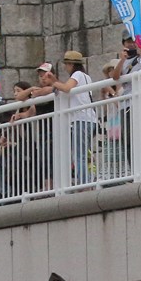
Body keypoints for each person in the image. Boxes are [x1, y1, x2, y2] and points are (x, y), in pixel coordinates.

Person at [52, 50, 98, 185]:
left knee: (79, 155)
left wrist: (53, 81)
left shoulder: (77, 74)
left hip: (81, 118)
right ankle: (89, 180)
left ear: (71, 64)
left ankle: (84, 183)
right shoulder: (86, 76)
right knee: (84, 153)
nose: (65, 67)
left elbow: (67, 88)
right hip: (89, 118)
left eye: (66, 64)